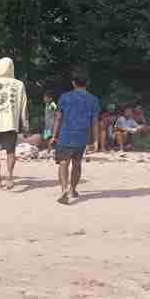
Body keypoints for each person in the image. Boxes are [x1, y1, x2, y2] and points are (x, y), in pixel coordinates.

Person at [49, 71, 100, 205]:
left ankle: (64, 190)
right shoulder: (93, 100)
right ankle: (73, 189)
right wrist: (96, 141)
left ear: (73, 83)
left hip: (65, 135)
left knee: (64, 163)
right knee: (77, 163)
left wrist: (54, 136)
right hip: (82, 136)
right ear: (87, 83)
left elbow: (58, 118)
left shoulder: (64, 97)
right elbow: (94, 122)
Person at [0, 57, 29, 190]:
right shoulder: (19, 84)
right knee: (10, 151)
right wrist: (25, 125)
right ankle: (10, 177)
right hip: (11, 123)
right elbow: (23, 107)